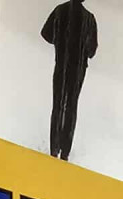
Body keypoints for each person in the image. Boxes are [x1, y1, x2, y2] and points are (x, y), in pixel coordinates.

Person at [41, 0, 98, 161]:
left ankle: (54, 150)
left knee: (58, 105)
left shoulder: (60, 11)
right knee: (71, 107)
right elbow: (92, 51)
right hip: (78, 70)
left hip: (61, 64)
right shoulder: (89, 19)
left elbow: (46, 33)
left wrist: (59, 41)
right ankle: (64, 152)